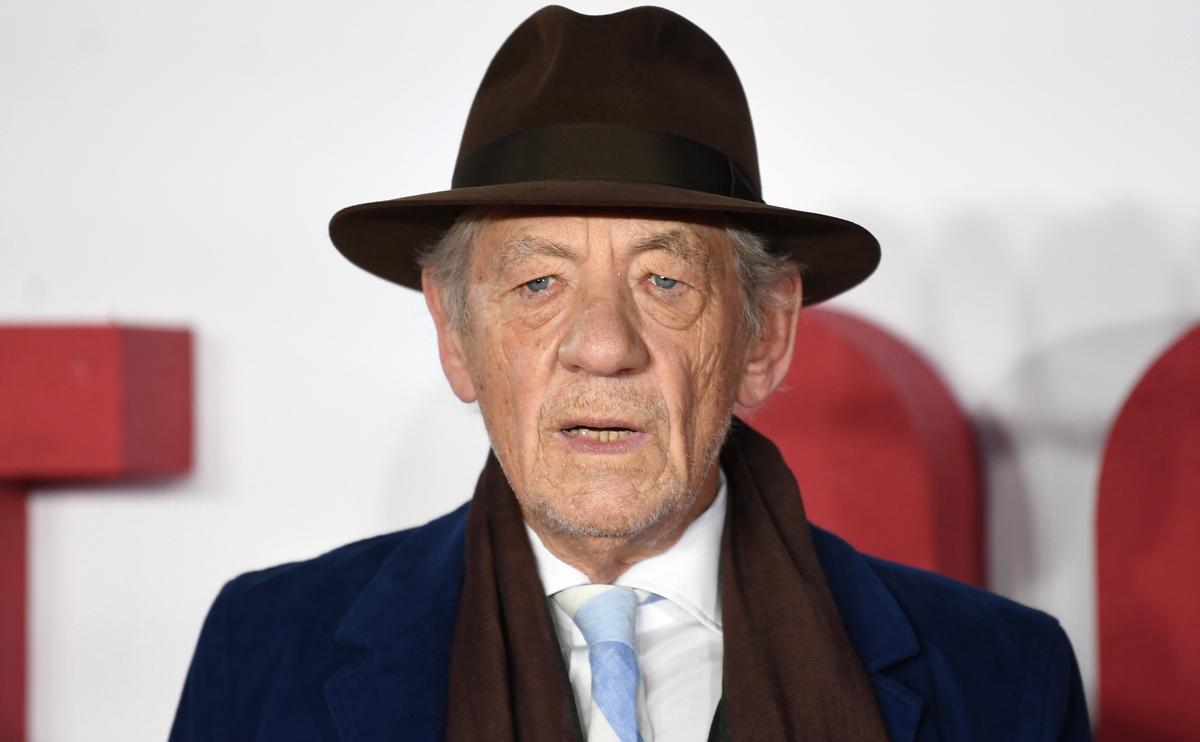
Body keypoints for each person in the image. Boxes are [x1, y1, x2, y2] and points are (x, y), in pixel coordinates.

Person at [170, 6, 1090, 741]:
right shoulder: (266, 649)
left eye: (665, 281)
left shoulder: (1001, 676)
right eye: (538, 284)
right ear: (455, 334)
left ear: (763, 337)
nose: (604, 345)